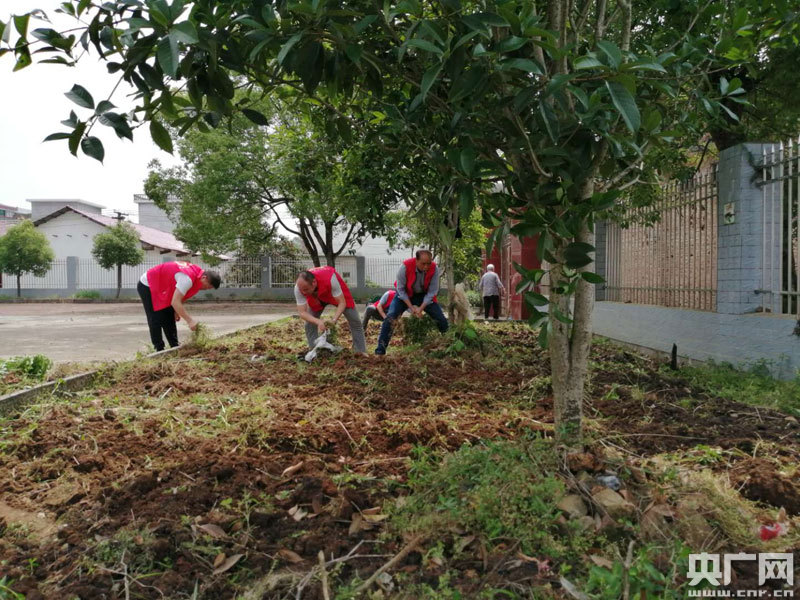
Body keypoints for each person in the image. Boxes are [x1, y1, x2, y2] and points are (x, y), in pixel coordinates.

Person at [375, 250, 448, 355]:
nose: (426, 267)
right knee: (390, 317)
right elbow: (400, 289)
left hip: (424, 295)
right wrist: (411, 307)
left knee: (440, 318)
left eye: (429, 263)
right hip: (404, 295)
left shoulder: (434, 269)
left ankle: (449, 344)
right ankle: (380, 351)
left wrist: (421, 308)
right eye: (423, 264)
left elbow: (432, 291)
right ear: (416, 260)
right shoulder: (405, 267)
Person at [137, 261, 221, 351]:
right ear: (204, 278)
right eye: (207, 287)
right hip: (148, 283)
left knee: (169, 314)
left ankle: (174, 346)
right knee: (155, 317)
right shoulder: (187, 279)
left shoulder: (197, 274)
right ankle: (159, 349)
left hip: (164, 285)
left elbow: (179, 298)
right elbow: (175, 302)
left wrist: (176, 311)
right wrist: (190, 321)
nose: (206, 289)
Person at [294, 266, 367, 354]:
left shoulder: (330, 278)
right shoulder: (299, 288)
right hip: (315, 297)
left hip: (335, 294)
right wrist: (318, 321)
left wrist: (334, 320)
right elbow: (302, 312)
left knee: (355, 320)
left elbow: (342, 303)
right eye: (301, 290)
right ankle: (314, 351)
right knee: (309, 324)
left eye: (305, 290)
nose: (303, 293)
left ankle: (360, 352)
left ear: (313, 282)